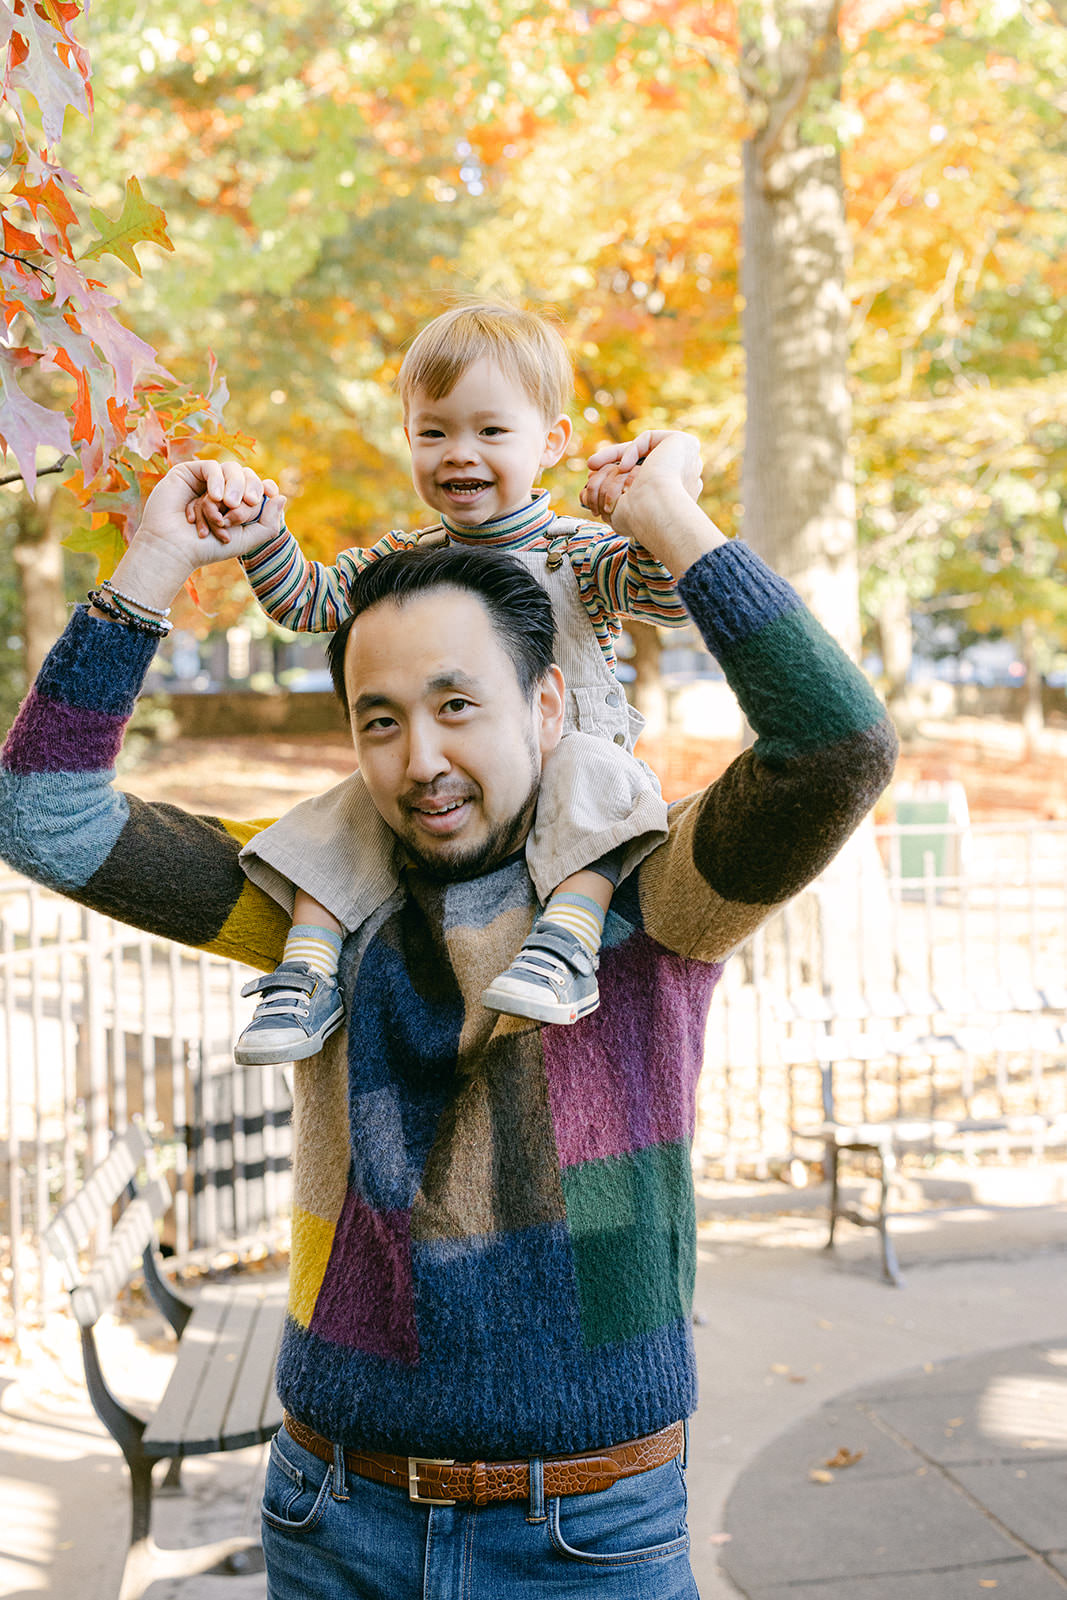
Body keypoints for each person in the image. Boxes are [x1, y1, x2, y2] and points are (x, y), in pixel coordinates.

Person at [0, 434, 897, 1599]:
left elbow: (836, 749)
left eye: (456, 704)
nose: (420, 758)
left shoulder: (653, 897)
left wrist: (671, 519)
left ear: (546, 701)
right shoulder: (309, 910)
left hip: (586, 1534)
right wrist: (158, 558)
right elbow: (42, 815)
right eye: (378, 720)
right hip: (333, 1514)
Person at [188, 302, 693, 1065]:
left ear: (550, 442)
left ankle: (567, 940)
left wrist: (656, 507)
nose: (460, 452)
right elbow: (312, 601)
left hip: (564, 766)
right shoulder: (406, 559)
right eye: (434, 431)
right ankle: (308, 969)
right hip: (450, 776)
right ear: (408, 439)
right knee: (345, 806)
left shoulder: (577, 555)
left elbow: (672, 593)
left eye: (490, 431)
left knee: (596, 779)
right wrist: (264, 540)